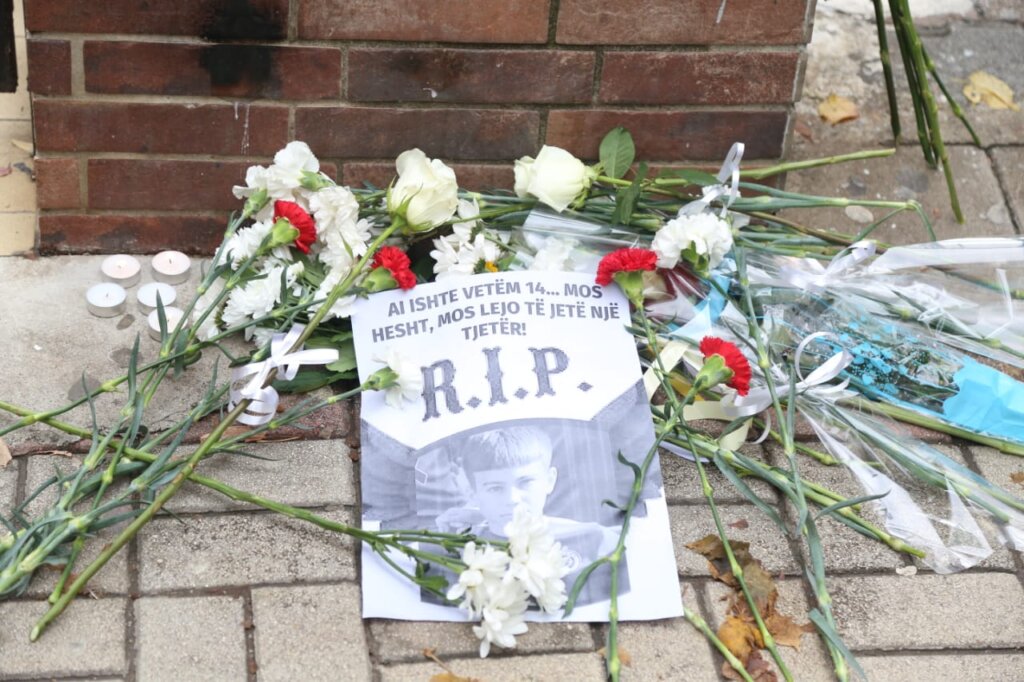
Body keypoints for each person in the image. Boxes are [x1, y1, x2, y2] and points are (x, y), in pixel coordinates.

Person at [428, 425, 628, 608]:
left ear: (549, 481)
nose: (512, 499)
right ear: (473, 492)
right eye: (495, 488)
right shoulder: (454, 549)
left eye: (526, 482)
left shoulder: (595, 539)